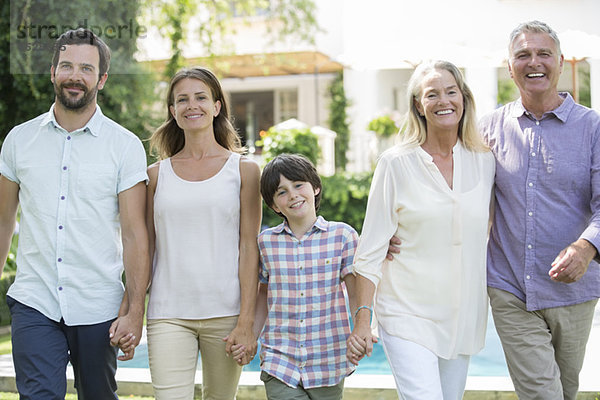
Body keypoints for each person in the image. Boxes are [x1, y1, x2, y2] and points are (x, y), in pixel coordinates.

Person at [0, 28, 149, 399]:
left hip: (99, 306)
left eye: (86, 68)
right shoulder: (19, 140)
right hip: (35, 299)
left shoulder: (125, 146)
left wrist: (134, 310)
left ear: (102, 79)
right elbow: (3, 221)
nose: (74, 75)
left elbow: (134, 235)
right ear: (52, 72)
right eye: (66, 65)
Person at [348, 60, 495, 399]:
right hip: (407, 312)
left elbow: (487, 227)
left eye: (450, 92)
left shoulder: (484, 160)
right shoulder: (395, 164)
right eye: (432, 94)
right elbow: (369, 252)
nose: (443, 101)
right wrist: (362, 321)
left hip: (461, 315)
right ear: (418, 104)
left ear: (464, 98)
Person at [479, 21, 600, 400]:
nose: (535, 62)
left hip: (574, 293)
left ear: (560, 62)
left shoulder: (593, 128)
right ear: (509, 65)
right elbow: (453, 193)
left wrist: (586, 248)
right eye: (523, 55)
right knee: (542, 395)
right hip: (510, 287)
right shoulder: (487, 129)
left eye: (544, 53)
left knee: (564, 390)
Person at [145, 66, 261, 399]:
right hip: (168, 313)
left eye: (200, 97)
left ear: (216, 106)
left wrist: (247, 321)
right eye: (182, 99)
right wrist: (132, 307)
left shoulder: (244, 171)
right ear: (172, 111)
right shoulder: (155, 175)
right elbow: (146, 247)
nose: (191, 105)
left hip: (227, 313)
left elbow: (248, 248)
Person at [250, 153, 358, 400]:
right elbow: (263, 293)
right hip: (280, 359)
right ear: (274, 205)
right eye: (282, 192)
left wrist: (361, 327)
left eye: (298, 185)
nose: (293, 195)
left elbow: (355, 291)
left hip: (328, 358)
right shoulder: (266, 243)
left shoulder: (343, 236)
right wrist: (250, 336)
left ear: (315, 187)